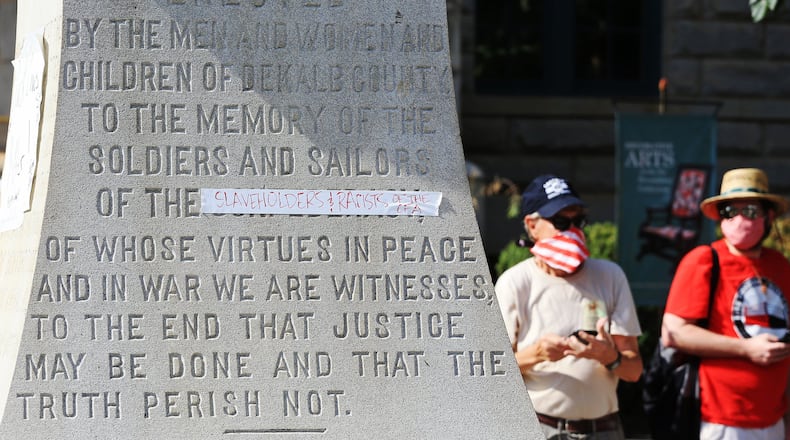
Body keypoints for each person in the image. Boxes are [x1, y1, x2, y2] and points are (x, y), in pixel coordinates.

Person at [495, 174, 643, 440]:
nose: (572, 231)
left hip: (604, 429)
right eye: (561, 222)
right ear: (532, 225)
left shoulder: (610, 275)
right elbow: (493, 370)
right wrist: (538, 353)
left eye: (579, 221)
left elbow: (633, 371)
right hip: (540, 428)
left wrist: (608, 356)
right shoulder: (515, 282)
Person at [662, 167, 790, 440]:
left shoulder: (780, 266)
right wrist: (746, 349)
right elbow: (673, 332)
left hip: (774, 419)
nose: (740, 219)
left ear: (769, 216)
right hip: (720, 422)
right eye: (730, 211)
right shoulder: (704, 260)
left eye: (751, 211)